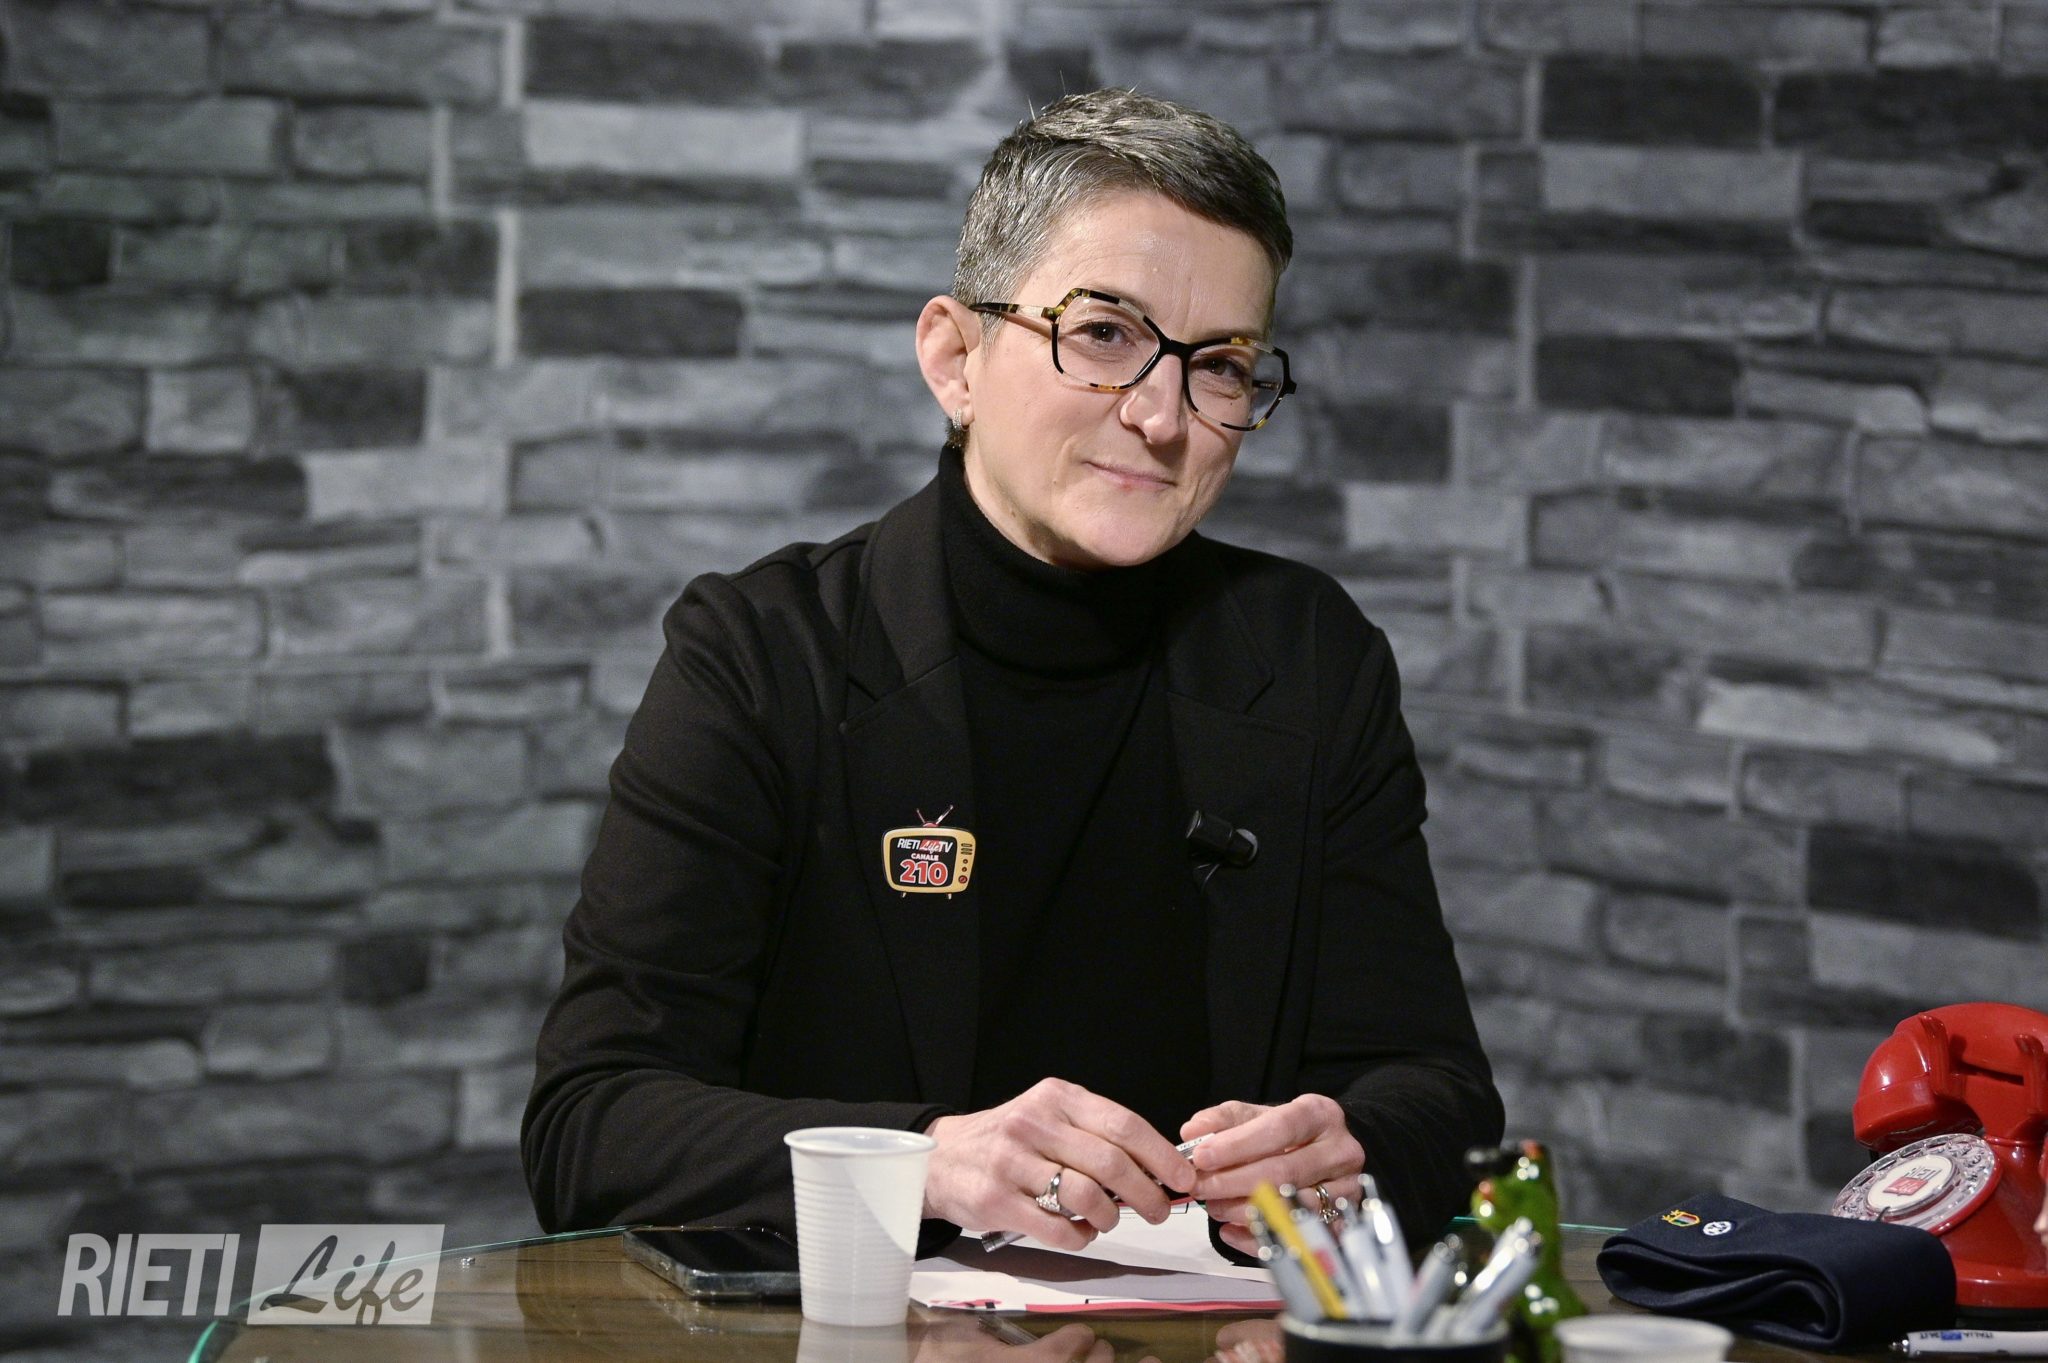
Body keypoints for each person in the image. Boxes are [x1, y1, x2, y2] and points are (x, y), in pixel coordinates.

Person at [522, 89, 1503, 1259]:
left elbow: (1437, 1092)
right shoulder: (760, 653)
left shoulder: (1307, 656)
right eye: (1104, 335)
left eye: (1220, 365)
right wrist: (924, 1160)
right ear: (956, 358)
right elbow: (591, 1126)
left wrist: (1346, 1148)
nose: (1160, 416)